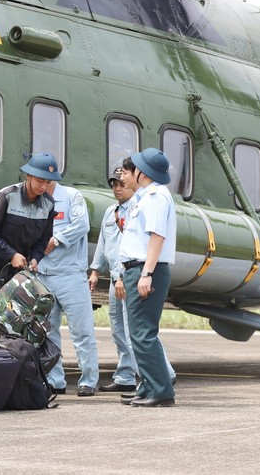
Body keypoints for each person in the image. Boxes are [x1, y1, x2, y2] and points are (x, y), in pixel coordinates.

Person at [0, 153, 60, 340]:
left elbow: (44, 239)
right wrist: (11, 255)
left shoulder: (48, 205)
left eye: (48, 183)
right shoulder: (6, 196)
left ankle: (2, 365)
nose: (43, 187)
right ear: (28, 176)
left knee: (13, 322)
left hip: (18, 274)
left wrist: (35, 258)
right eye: (40, 181)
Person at [117, 148, 177, 407]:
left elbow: (156, 237)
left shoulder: (155, 197)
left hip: (146, 268)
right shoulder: (145, 197)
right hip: (137, 268)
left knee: (143, 334)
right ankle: (148, 386)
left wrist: (146, 273)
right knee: (138, 334)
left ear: (142, 172)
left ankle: (161, 391)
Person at [38, 179, 100, 396]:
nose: (41, 183)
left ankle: (89, 380)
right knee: (48, 332)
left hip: (70, 275)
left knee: (82, 331)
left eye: (44, 179)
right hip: (43, 275)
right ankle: (55, 380)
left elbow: (82, 225)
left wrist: (55, 240)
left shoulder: (73, 197)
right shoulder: (36, 200)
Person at [89, 169, 138, 392]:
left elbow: (130, 248)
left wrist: (120, 277)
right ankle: (126, 376)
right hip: (113, 280)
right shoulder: (111, 212)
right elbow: (104, 244)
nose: (117, 189)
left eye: (121, 184)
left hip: (127, 277)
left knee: (134, 330)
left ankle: (163, 374)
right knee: (118, 329)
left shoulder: (137, 211)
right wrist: (95, 270)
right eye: (114, 185)